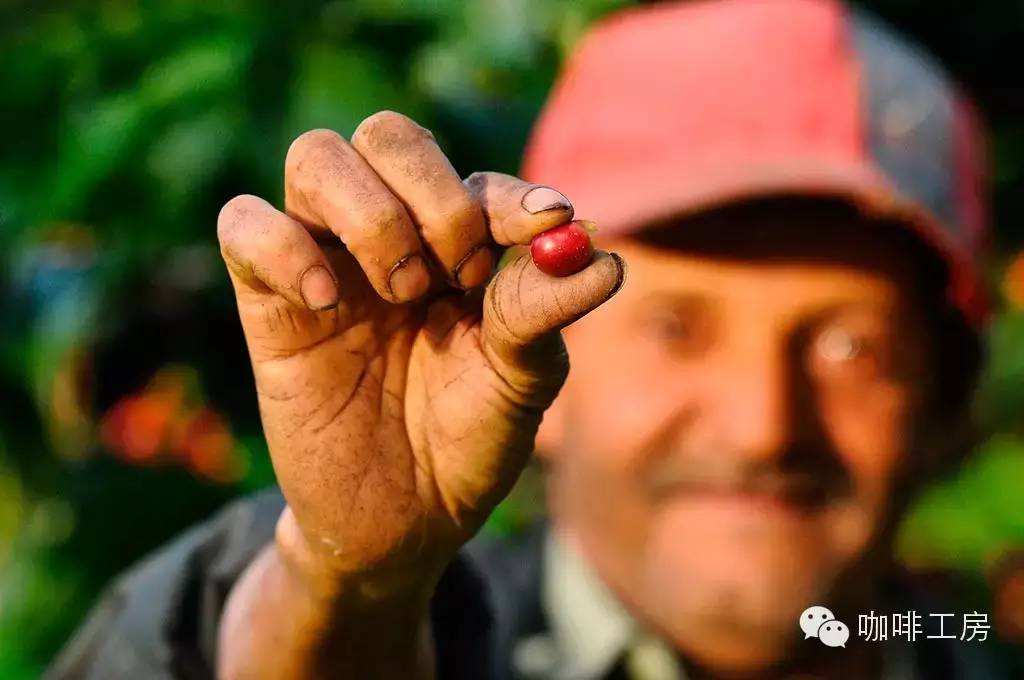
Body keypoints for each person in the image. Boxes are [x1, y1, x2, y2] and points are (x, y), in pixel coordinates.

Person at [47, 0, 1007, 678]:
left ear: (944, 404)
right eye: (675, 328)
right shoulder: (437, 641)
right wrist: (347, 586)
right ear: (544, 360)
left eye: (852, 349)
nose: (763, 428)